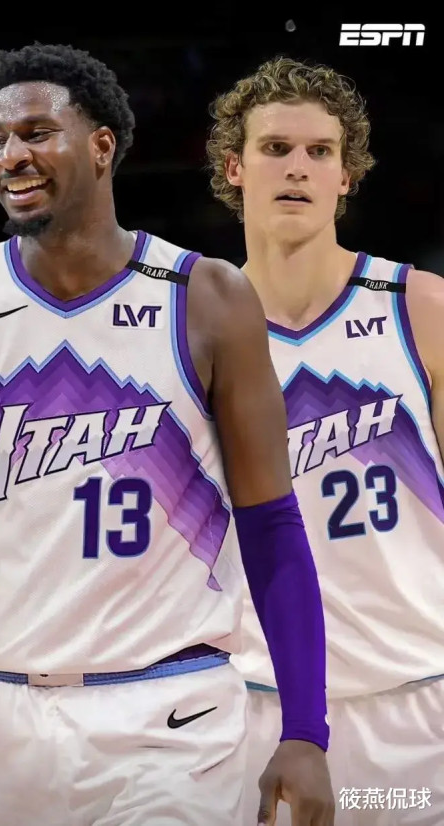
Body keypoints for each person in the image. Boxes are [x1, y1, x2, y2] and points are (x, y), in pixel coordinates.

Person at [0, 43, 334, 826]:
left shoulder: (206, 298)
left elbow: (272, 523)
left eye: (37, 132)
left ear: (102, 146)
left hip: (172, 715)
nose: (11, 155)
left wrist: (306, 728)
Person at [206, 56, 444, 825]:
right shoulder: (195, 329)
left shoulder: (421, 309)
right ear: (235, 167)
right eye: (275, 149)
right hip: (254, 706)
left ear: (347, 175)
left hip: (418, 702)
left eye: (320, 151)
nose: (298, 168)